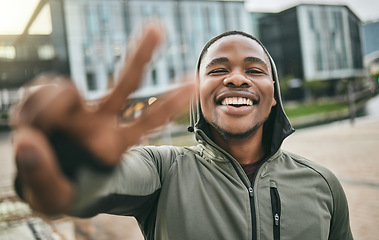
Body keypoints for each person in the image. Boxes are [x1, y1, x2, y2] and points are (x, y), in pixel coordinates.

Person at [12, 23, 353, 240]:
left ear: (274, 95)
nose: (236, 78)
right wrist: (68, 159)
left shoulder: (324, 186)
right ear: (198, 97)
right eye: (218, 70)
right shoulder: (163, 171)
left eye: (254, 69)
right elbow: (70, 193)